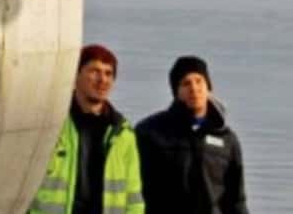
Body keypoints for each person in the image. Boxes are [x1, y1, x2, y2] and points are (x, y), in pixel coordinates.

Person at [30, 44, 146, 214]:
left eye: (108, 73)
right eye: (94, 71)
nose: (102, 80)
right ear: (75, 74)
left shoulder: (123, 133)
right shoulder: (50, 125)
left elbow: (134, 196)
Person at [135, 55, 249, 214]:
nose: (194, 88)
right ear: (176, 91)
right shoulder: (150, 132)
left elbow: (236, 200)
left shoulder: (227, 139)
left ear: (208, 87)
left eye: (199, 81)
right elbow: (135, 191)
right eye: (186, 83)